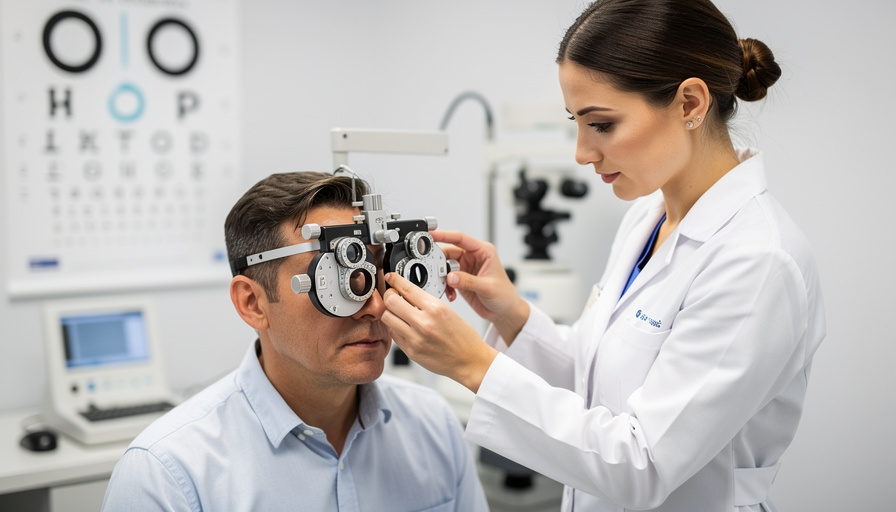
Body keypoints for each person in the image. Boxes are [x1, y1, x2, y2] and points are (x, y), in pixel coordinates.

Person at [380, 1, 826, 511]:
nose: (581, 152)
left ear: (690, 103)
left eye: (602, 125)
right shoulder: (649, 217)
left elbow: (644, 463)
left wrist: (473, 365)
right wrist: (514, 316)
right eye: (576, 122)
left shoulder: (758, 261)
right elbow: (604, 381)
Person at [101, 172, 488, 512]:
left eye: (379, 273)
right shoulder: (168, 474)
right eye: (342, 280)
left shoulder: (433, 426)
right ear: (252, 303)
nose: (374, 305)